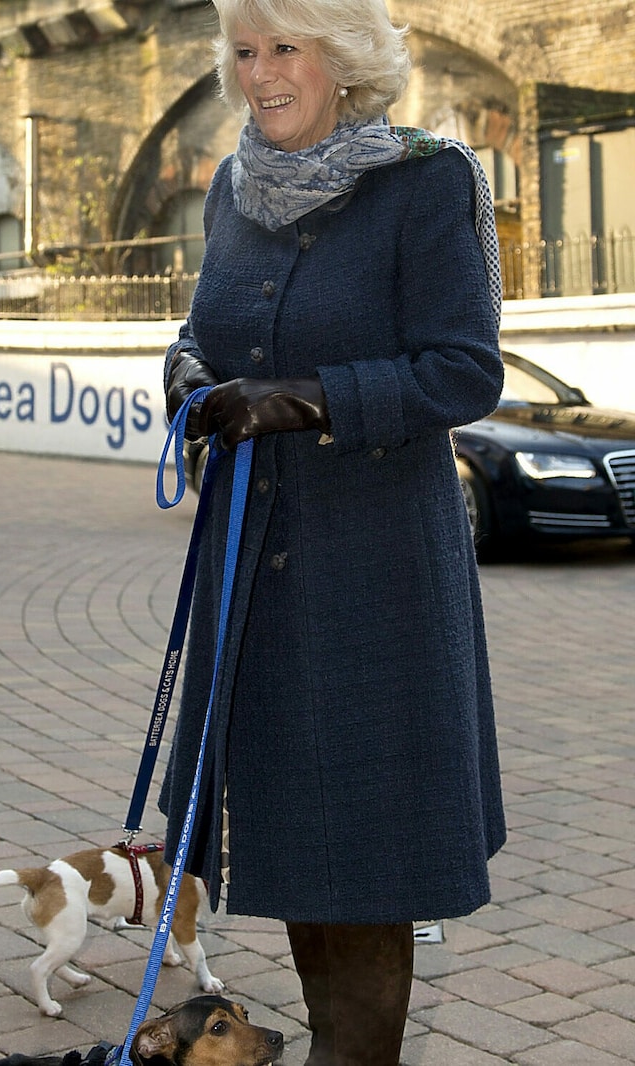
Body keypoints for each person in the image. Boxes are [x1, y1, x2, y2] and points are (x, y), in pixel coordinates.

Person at [158, 1, 507, 1063]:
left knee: (364, 851)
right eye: (243, 51)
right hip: (252, 581)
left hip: (373, 580)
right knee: (300, 844)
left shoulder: (425, 179)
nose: (259, 73)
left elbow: (463, 368)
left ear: (342, 59)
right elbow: (202, 330)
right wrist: (187, 378)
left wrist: (306, 400)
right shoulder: (230, 185)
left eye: (284, 47)